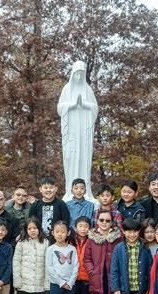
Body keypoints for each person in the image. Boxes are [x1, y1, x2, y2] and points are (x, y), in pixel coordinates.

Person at [57, 60, 98, 201]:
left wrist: (84, 104)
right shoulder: (67, 89)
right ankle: (70, 191)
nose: (79, 77)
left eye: (81, 74)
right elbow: (59, 108)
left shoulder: (88, 90)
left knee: (83, 158)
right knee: (70, 158)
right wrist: (73, 105)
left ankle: (85, 192)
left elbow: (95, 108)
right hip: (72, 133)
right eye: (77, 74)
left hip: (84, 132)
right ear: (73, 74)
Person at [84, 209, 122, 294]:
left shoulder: (118, 238)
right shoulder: (92, 239)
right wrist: (92, 272)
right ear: (97, 221)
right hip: (98, 277)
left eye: (107, 220)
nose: (104, 223)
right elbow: (87, 259)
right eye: (101, 220)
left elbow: (121, 257)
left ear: (112, 222)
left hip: (112, 277)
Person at [13, 217, 49, 294]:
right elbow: (16, 262)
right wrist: (17, 280)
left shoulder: (45, 242)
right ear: (26, 230)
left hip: (39, 280)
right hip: (25, 280)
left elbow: (47, 263)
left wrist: (46, 281)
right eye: (29, 228)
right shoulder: (21, 243)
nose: (32, 231)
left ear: (39, 229)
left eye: (35, 228)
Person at [72, 216, 93, 294]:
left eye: (86, 226)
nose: (83, 229)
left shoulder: (92, 241)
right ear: (75, 228)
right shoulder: (70, 240)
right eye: (80, 226)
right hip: (73, 279)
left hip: (87, 278)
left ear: (89, 228)